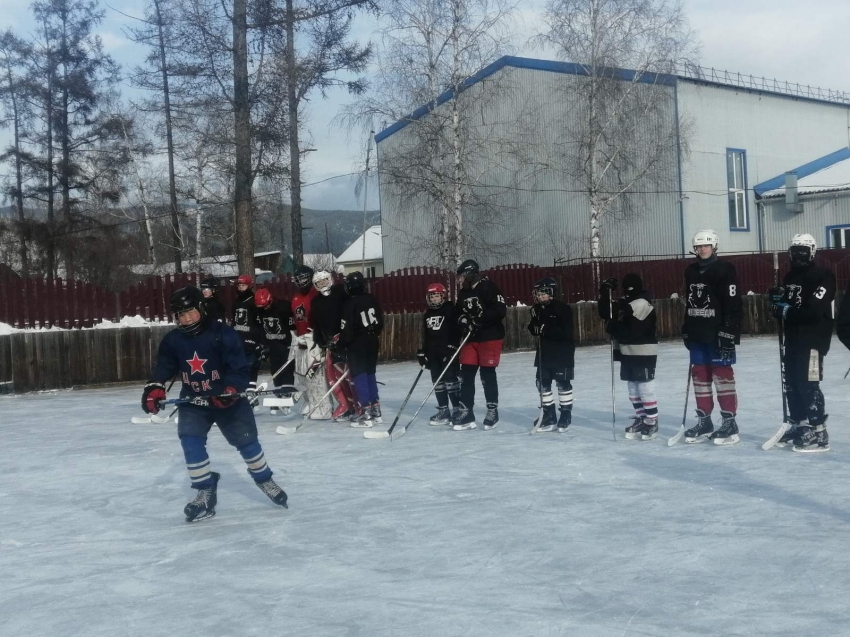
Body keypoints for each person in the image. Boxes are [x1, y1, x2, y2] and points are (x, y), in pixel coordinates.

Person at [141, 286, 288, 522]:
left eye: (190, 311)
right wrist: (155, 385)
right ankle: (205, 490)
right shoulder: (173, 340)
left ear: (201, 308)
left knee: (247, 442)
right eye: (181, 314)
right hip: (194, 400)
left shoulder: (223, 334)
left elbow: (240, 369)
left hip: (227, 399)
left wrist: (231, 390)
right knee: (190, 441)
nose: (186, 318)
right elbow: (164, 367)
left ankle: (264, 479)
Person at [769, 234, 836, 452]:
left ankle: (818, 431)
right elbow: (786, 308)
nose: (798, 256)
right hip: (794, 339)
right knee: (791, 383)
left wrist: (786, 311)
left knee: (808, 383)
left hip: (814, 340)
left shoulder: (824, 276)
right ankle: (799, 424)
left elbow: (812, 311)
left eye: (803, 252)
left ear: (812, 252)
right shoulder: (789, 277)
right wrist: (777, 300)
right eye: (795, 251)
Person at [681, 229, 743, 445]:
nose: (702, 249)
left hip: (718, 333)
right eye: (698, 246)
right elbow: (689, 301)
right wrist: (686, 326)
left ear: (714, 246)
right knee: (699, 375)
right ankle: (704, 420)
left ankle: (729, 421)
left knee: (722, 374)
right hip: (698, 331)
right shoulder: (691, 271)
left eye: (706, 245)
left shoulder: (725, 269)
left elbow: (733, 303)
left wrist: (729, 330)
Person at [598, 274, 659, 440]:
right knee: (633, 388)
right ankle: (641, 417)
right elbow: (606, 312)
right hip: (627, 350)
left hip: (643, 350)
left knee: (644, 387)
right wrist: (605, 292)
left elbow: (633, 331)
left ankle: (652, 420)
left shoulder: (642, 304)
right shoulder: (626, 303)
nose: (627, 291)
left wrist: (613, 327)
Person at [452, 259, 507, 431]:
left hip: (489, 337)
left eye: (462, 276)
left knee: (487, 375)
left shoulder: (489, 287)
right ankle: (466, 411)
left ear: (470, 273)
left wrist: (479, 319)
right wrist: (463, 320)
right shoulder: (463, 293)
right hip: (471, 338)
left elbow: (500, 310)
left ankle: (492, 410)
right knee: (466, 375)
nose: (460, 280)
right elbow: (458, 312)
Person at [310, 270, 361, 420]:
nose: (323, 284)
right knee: (335, 376)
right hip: (330, 342)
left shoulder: (340, 293)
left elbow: (350, 313)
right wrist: (320, 339)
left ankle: (359, 404)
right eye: (319, 283)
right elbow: (317, 324)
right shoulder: (316, 302)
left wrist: (347, 334)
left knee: (350, 375)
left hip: (345, 338)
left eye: (325, 281)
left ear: (330, 280)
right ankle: (346, 404)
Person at [528, 277, 575, 432]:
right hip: (544, 352)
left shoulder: (563, 309)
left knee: (563, 383)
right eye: (539, 294)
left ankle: (565, 414)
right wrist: (534, 325)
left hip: (562, 353)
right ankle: (548, 415)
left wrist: (544, 329)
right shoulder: (537, 309)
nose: (541, 297)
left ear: (552, 293)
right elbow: (534, 328)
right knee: (542, 383)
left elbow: (565, 332)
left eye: (544, 294)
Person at [339, 271, 384, 427]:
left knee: (359, 375)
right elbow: (380, 323)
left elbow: (346, 329)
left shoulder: (350, 304)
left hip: (357, 343)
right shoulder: (372, 299)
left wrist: (342, 344)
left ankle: (365, 411)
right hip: (372, 341)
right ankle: (375, 408)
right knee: (370, 373)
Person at [418, 282, 462, 426]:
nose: (434, 299)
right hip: (433, 353)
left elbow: (457, 329)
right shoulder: (428, 315)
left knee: (451, 380)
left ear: (442, 296)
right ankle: (444, 410)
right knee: (437, 382)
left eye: (437, 296)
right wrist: (423, 352)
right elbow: (427, 335)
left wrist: (453, 346)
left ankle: (457, 409)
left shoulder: (449, 309)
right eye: (432, 297)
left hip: (447, 351)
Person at [290, 265, 330, 419]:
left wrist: (315, 335)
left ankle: (323, 406)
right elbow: (296, 319)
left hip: (314, 341)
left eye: (303, 278)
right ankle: (310, 402)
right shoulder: (295, 297)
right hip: (300, 342)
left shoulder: (316, 295)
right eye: (297, 279)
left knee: (315, 375)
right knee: (301, 376)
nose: (300, 282)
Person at [254, 287, 295, 416]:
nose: (264, 308)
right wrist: (263, 346)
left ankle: (287, 399)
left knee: (287, 370)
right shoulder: (260, 310)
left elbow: (293, 326)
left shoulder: (284, 307)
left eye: (265, 305)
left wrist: (293, 342)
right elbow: (261, 329)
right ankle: (279, 397)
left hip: (286, 345)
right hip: (273, 346)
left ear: (270, 300)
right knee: (275, 371)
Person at [231, 274, 263, 402]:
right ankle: (241, 394)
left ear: (249, 286)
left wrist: (258, 341)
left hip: (251, 341)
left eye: (243, 285)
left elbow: (259, 323)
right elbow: (234, 322)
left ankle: (251, 396)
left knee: (251, 367)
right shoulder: (236, 302)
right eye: (239, 285)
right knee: (238, 368)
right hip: (238, 341)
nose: (240, 287)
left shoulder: (254, 301)